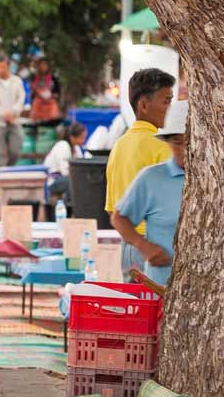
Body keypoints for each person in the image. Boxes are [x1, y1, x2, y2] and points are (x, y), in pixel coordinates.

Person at [105, 68, 175, 276]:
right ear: (144, 105)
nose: (170, 109)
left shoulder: (119, 146)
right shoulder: (162, 148)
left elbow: (111, 208)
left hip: (126, 248)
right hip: (154, 248)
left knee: (135, 306)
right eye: (166, 101)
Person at [112, 100, 188, 285]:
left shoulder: (220, 183)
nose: (184, 150)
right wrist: (143, 246)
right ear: (168, 142)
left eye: (190, 142)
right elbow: (119, 218)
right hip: (161, 286)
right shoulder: (151, 178)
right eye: (177, 142)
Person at [0, 54, 26, 168]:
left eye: (3, 67)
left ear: (8, 66)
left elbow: (21, 99)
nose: (0, 70)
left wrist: (13, 112)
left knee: (16, 149)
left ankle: (9, 169)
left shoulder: (17, 81)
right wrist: (4, 114)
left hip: (14, 120)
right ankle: (2, 175)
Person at [43, 123, 88, 201]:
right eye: (81, 138)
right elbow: (65, 172)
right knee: (74, 182)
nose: (83, 141)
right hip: (54, 180)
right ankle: (70, 208)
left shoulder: (76, 148)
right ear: (72, 137)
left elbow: (81, 165)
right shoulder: (63, 146)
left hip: (66, 178)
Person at [29, 58, 61, 122]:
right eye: (41, 65)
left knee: (52, 120)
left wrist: (49, 96)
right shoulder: (34, 78)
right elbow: (31, 94)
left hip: (50, 104)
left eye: (45, 65)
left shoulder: (53, 79)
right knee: (35, 121)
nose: (43, 67)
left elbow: (57, 93)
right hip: (38, 104)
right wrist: (36, 92)